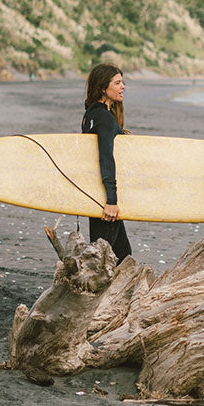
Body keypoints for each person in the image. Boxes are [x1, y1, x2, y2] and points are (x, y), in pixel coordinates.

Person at [81, 63, 133, 263]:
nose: (123, 87)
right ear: (103, 88)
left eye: (123, 82)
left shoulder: (91, 116)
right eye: (117, 83)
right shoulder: (103, 118)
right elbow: (105, 157)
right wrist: (111, 200)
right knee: (104, 260)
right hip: (104, 200)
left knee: (123, 255)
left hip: (95, 193)